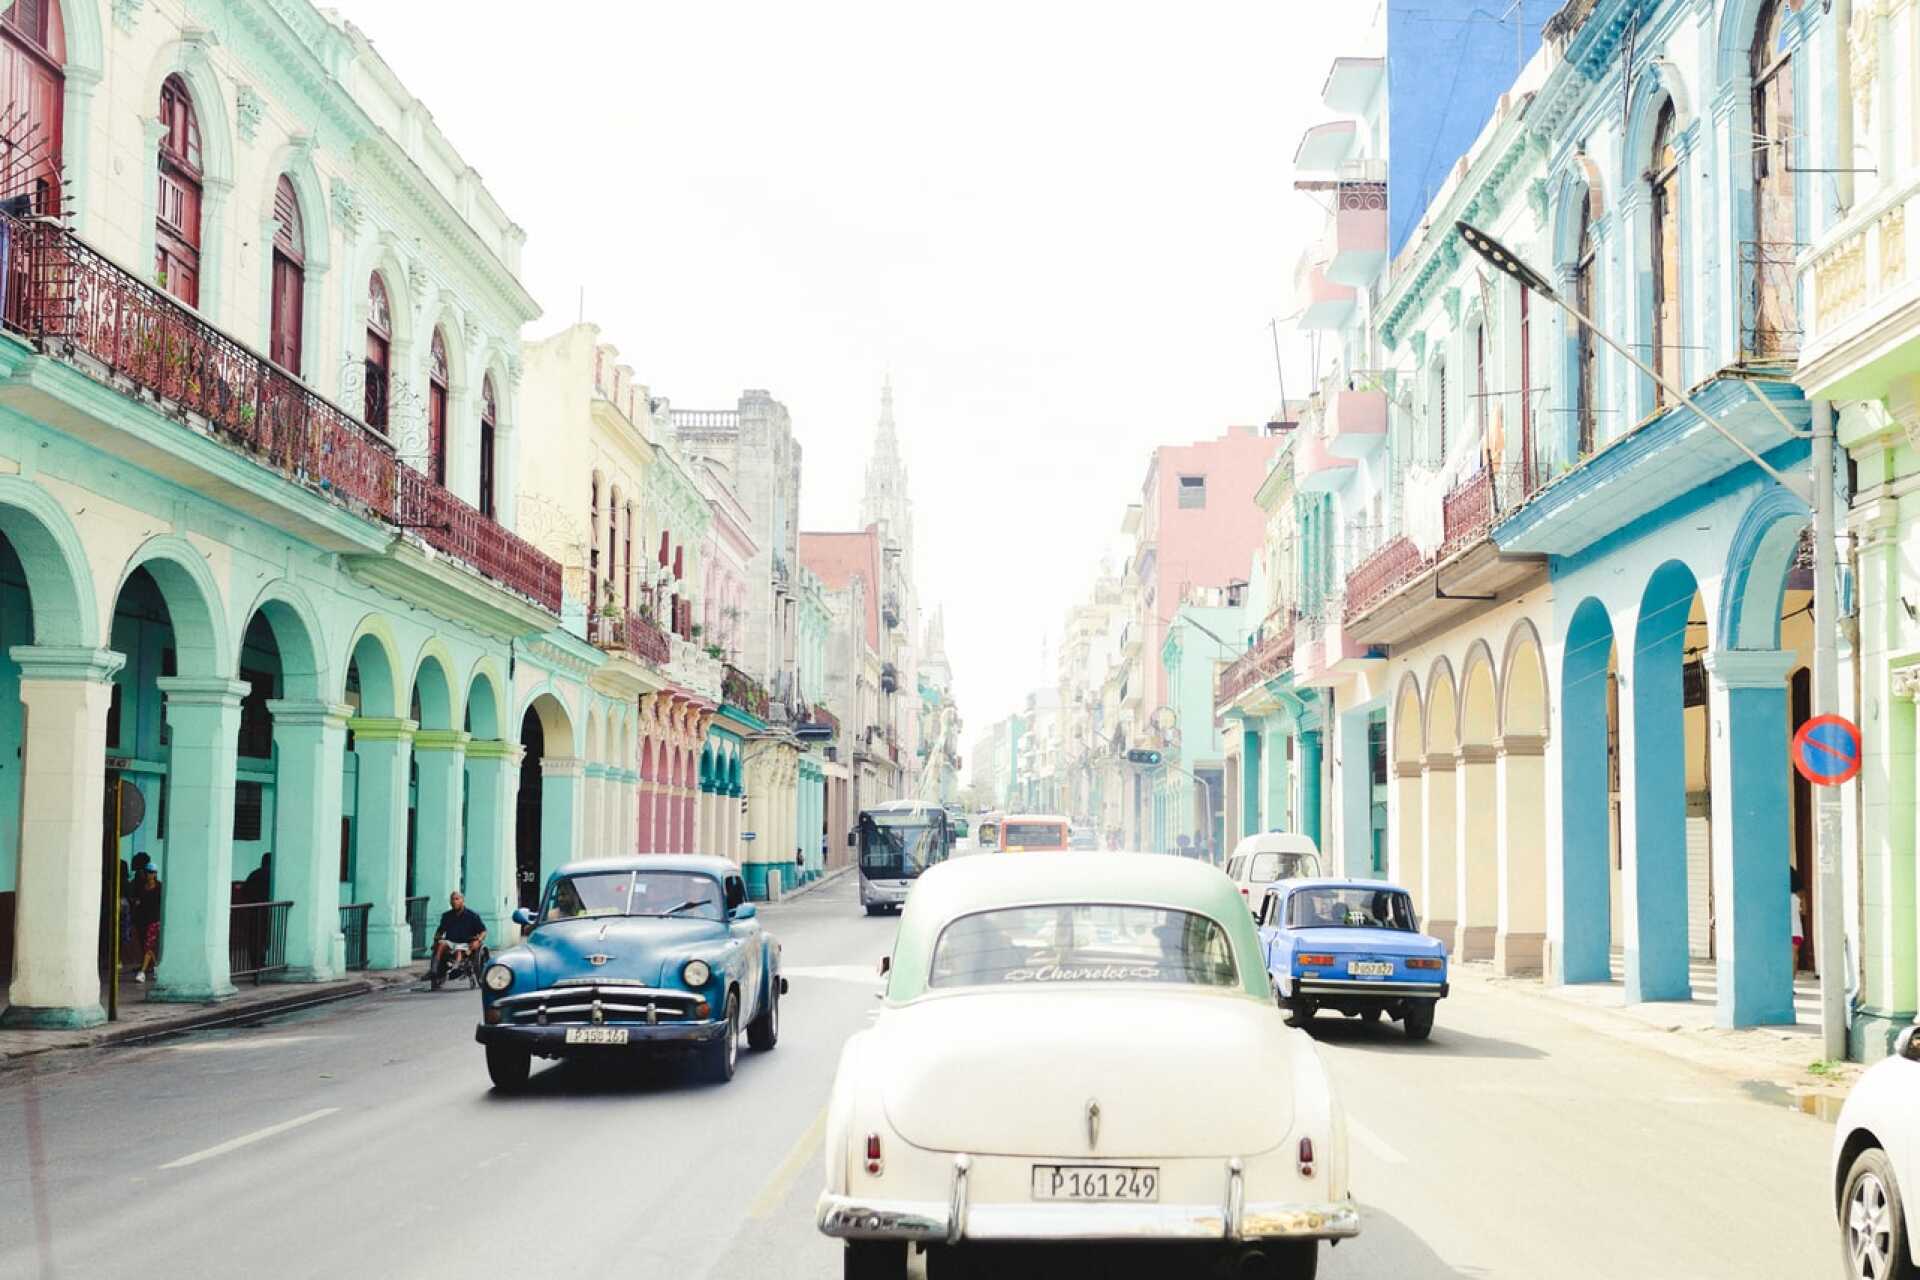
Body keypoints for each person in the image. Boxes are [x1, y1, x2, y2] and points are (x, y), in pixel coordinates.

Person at [428, 890, 487, 986]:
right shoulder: (446, 916)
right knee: (440, 944)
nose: (454, 901)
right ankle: (434, 971)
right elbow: (440, 931)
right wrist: (436, 940)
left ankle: (456, 969)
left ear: (462, 900)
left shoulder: (472, 916)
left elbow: (483, 931)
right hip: (451, 942)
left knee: (458, 950)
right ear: (450, 902)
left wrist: (479, 940)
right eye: (452, 899)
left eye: (457, 899)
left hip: (466, 943)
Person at [128, 863, 162, 984]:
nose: (150, 875)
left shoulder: (159, 887)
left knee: (149, 945)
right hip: (142, 920)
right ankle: (157, 967)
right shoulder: (143, 887)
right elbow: (139, 901)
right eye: (148, 872)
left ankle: (142, 972)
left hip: (154, 920)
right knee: (148, 946)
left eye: (152, 872)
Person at [1790, 868, 1806, 975]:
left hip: (1781, 931)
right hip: (1796, 930)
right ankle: (1791, 985)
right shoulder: (1800, 895)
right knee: (1794, 956)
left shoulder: (1777, 894)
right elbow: (1804, 912)